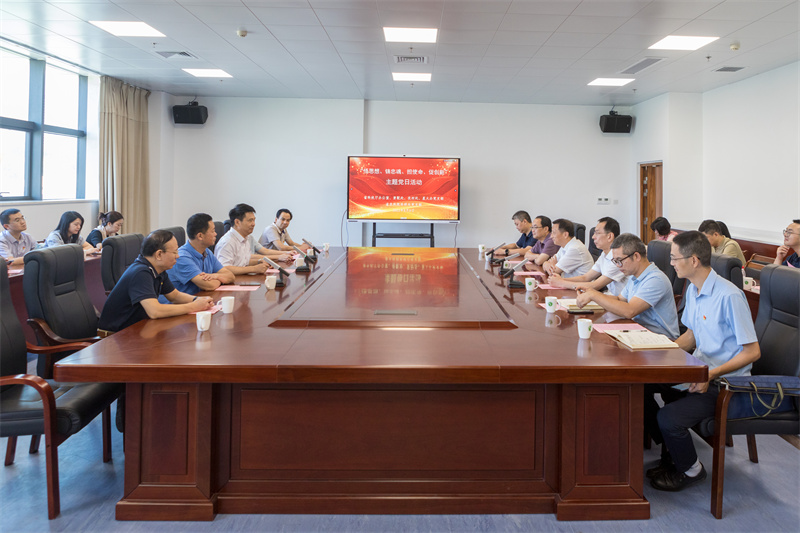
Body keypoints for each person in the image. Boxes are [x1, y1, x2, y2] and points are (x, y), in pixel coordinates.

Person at [645, 231, 759, 492]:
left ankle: (691, 470)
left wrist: (710, 374)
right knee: (643, 386)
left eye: (675, 258)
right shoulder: (694, 290)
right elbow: (691, 336)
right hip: (699, 371)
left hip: (726, 384)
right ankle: (673, 455)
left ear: (693, 260)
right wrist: (657, 352)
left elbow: (752, 352)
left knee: (668, 418)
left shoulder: (729, 296)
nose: (671, 263)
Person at [98, 229, 215, 333]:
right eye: (174, 252)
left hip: (138, 328)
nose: (178, 256)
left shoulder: (158, 269)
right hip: (115, 336)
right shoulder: (141, 273)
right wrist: (193, 306)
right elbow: (154, 311)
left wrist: (198, 300)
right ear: (159, 254)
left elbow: (174, 296)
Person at [575, 233, 679, 339]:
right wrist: (591, 294)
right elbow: (620, 299)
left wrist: (594, 295)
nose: (617, 265)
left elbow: (630, 311)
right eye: (615, 261)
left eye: (619, 260)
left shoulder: (655, 279)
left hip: (659, 339)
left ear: (636, 256)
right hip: (639, 332)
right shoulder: (634, 277)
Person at [548, 217, 628, 296]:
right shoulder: (604, 254)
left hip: (619, 301)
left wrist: (561, 282)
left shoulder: (618, 258)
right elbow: (586, 277)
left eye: (597, 233)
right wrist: (560, 280)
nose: (593, 237)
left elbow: (595, 285)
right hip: (610, 296)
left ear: (609, 236)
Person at [166, 213, 235, 295]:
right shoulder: (182, 257)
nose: (215, 234)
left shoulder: (207, 252)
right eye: (212, 231)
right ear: (200, 236)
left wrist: (216, 276)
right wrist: (221, 279)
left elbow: (230, 276)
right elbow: (209, 286)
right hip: (182, 302)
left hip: (200, 298)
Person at [216, 203, 291, 275]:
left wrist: (259, 262)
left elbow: (244, 261)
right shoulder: (227, 242)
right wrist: (254, 268)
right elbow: (224, 268)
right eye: (250, 220)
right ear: (237, 222)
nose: (253, 224)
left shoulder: (245, 238)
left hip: (242, 278)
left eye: (254, 220)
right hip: (233, 282)